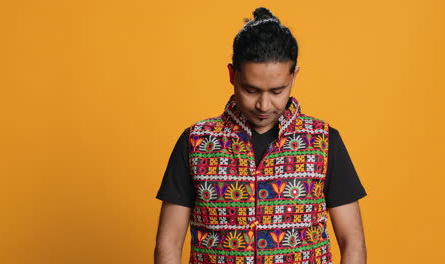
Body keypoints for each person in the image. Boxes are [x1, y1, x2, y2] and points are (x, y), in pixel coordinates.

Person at [154, 7, 367, 264]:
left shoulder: (323, 141)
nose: (264, 105)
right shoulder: (196, 142)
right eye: (251, 90)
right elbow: (169, 243)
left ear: (294, 76)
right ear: (233, 75)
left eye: (277, 91)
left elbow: (352, 242)